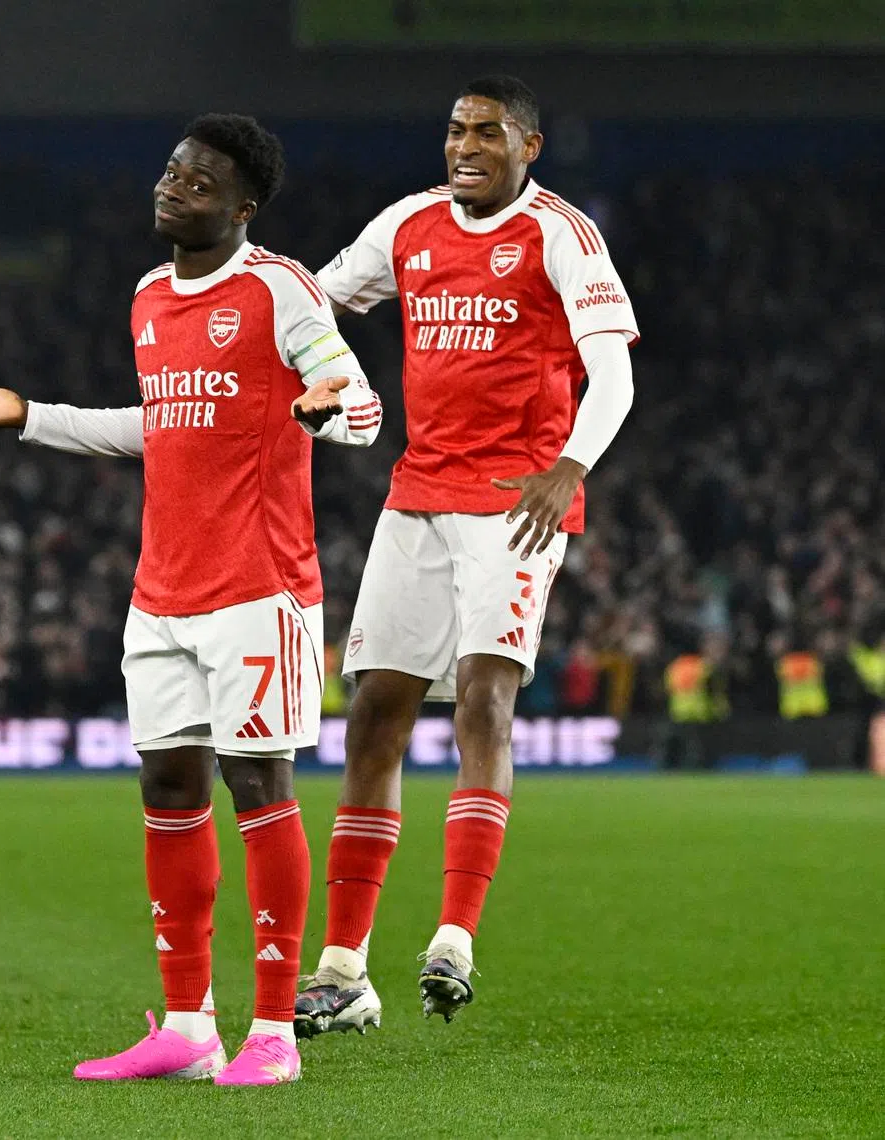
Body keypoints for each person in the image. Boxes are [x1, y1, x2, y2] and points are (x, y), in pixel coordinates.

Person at [0, 113, 382, 1085]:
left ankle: (271, 1037)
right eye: (173, 171)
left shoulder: (277, 288)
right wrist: (30, 417)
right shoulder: (147, 297)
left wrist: (325, 405)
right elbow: (159, 428)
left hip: (260, 590)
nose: (175, 186)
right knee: (168, 790)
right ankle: (185, 1025)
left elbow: (360, 401)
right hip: (160, 594)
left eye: (202, 180)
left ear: (243, 207)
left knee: (257, 790)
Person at [295, 76, 638, 1034]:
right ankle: (343, 966)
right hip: (417, 495)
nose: (465, 147)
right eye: (454, 130)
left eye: (488, 133)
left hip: (515, 502)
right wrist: (316, 377)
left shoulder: (559, 234)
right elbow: (313, 306)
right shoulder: (407, 225)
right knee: (374, 716)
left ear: (530, 147)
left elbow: (613, 369)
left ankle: (454, 938)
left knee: (485, 696)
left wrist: (569, 468)